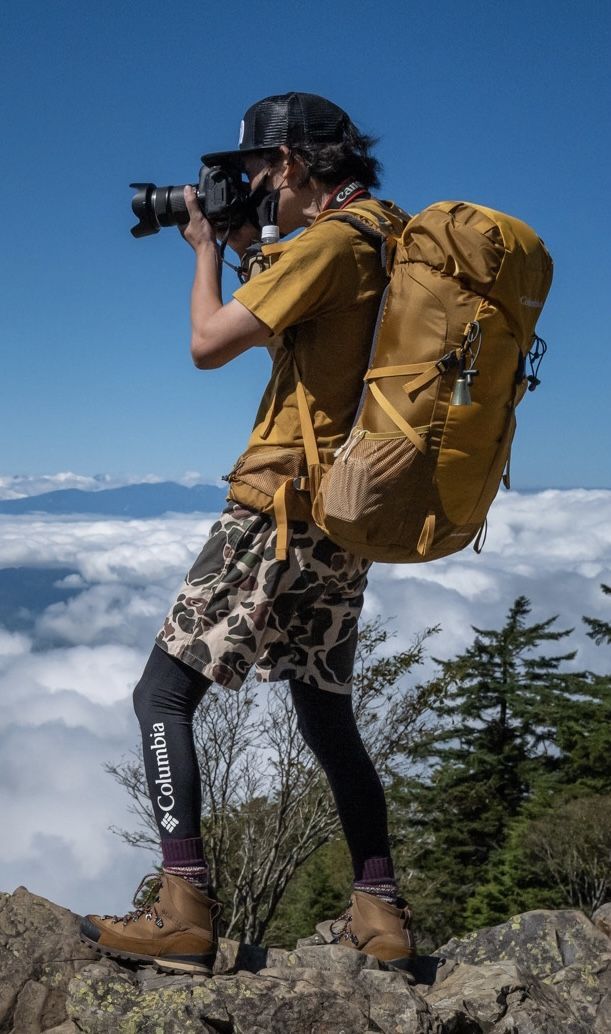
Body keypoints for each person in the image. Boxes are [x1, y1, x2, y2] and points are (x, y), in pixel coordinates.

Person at [80, 92, 415, 976]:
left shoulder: (329, 245)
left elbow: (206, 343)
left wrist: (202, 255)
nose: (257, 191)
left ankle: (182, 907)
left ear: (296, 163)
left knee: (162, 695)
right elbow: (317, 359)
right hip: (346, 516)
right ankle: (379, 912)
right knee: (323, 712)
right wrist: (249, 250)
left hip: (273, 508)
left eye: (260, 174)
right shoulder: (384, 238)